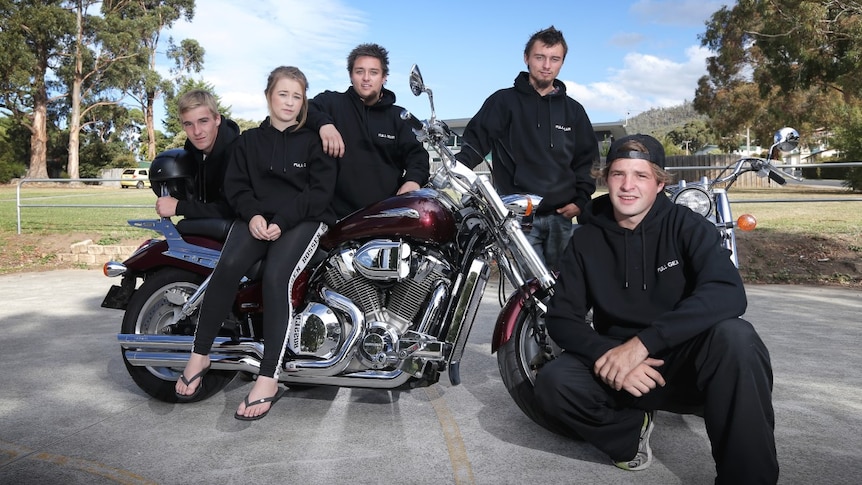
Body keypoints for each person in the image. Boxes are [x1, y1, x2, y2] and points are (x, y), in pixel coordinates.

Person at [533, 134, 778, 483]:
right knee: (554, 382)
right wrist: (612, 356)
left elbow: (727, 293)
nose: (628, 186)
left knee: (737, 338)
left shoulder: (688, 226)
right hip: (622, 373)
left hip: (687, 365)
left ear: (660, 183)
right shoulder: (585, 239)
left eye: (641, 175)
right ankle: (629, 432)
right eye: (618, 174)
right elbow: (562, 317)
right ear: (606, 178)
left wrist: (643, 345)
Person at [174, 66, 337, 421]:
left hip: (301, 221)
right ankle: (200, 354)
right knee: (228, 267)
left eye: (297, 96)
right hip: (255, 220)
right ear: (268, 96)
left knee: (277, 278)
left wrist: (281, 222)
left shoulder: (314, 142)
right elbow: (236, 187)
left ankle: (267, 378)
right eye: (283, 94)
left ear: (303, 100)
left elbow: (319, 193)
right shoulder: (248, 141)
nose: (290, 102)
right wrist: (254, 216)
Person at [455, 26, 599, 270]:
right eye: (539, 57)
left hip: (561, 218)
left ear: (562, 62)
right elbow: (475, 143)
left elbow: (587, 161)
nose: (546, 65)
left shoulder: (573, 111)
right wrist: (455, 169)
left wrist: (582, 199)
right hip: (520, 220)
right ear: (526, 58)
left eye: (555, 59)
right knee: (533, 290)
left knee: (566, 287)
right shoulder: (503, 102)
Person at [308, 42, 429, 219]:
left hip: (383, 218)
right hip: (334, 219)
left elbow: (417, 156)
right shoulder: (332, 104)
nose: (366, 78)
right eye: (359, 71)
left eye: (373, 72)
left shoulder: (399, 117)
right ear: (350, 75)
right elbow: (304, 109)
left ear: (384, 77)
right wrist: (324, 124)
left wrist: (413, 181)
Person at [155, 89, 240, 219]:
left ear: (217, 119)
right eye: (188, 124)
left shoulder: (239, 153)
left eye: (203, 121)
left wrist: (179, 207)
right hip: (206, 230)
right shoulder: (191, 152)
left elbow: (234, 209)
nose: (196, 131)